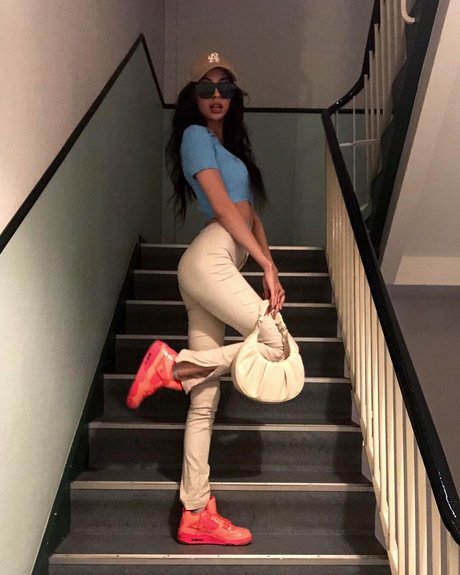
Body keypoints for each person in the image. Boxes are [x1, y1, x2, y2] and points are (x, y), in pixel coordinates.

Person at [126, 52, 287, 546]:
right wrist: (263, 264)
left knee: (205, 401)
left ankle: (194, 511)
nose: (216, 95)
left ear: (234, 97)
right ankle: (173, 367)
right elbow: (221, 207)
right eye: (206, 88)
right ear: (191, 97)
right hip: (211, 259)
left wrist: (269, 261)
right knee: (277, 346)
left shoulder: (228, 147)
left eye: (225, 88)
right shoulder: (196, 137)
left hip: (215, 265)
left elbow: (250, 214)